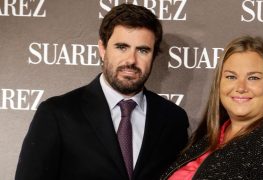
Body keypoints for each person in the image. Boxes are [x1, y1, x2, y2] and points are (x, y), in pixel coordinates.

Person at [15, 4, 189, 180]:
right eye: (122, 47)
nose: (131, 60)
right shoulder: (57, 114)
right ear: (102, 48)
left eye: (143, 50)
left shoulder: (173, 119)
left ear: (153, 56)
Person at [161, 35, 263, 179]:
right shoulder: (208, 138)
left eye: (253, 78)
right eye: (231, 77)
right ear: (219, 84)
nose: (241, 87)